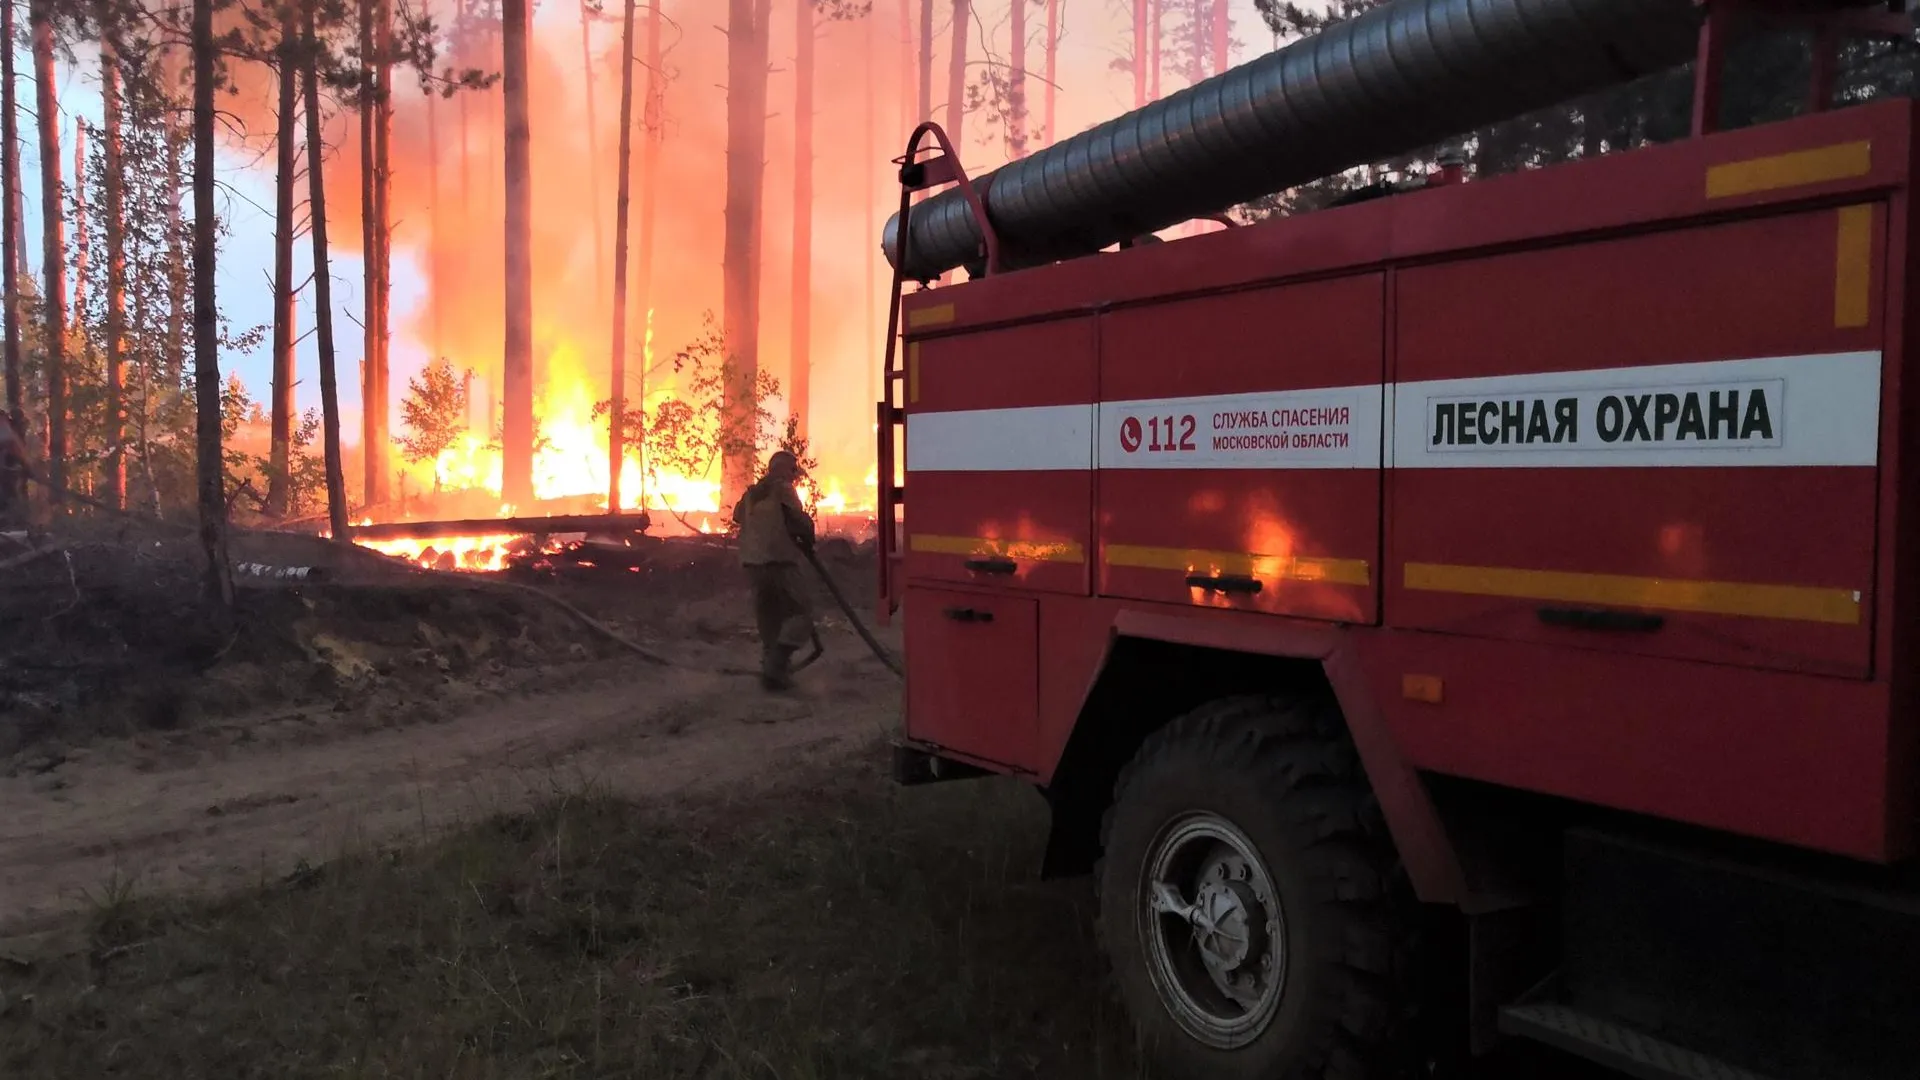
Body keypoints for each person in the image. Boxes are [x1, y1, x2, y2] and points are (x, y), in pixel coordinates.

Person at [732, 450, 818, 691]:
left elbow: (737, 516)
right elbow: (800, 522)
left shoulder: (752, 492)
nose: (794, 477)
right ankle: (776, 665)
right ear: (785, 470)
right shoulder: (783, 490)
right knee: (802, 613)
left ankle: (772, 673)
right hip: (779, 562)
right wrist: (809, 539)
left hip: (753, 565)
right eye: (793, 471)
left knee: (769, 617)